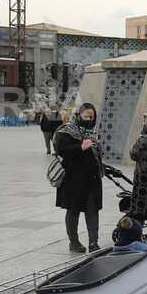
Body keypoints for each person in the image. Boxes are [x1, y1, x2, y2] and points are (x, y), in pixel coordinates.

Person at [54, 103, 105, 253]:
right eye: (85, 116)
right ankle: (74, 241)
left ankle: (93, 242)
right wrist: (81, 147)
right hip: (73, 179)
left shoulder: (92, 133)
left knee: (92, 210)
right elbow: (61, 150)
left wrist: (98, 159)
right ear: (78, 115)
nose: (89, 119)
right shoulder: (67, 131)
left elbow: (93, 150)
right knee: (73, 210)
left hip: (93, 178)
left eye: (91, 117)